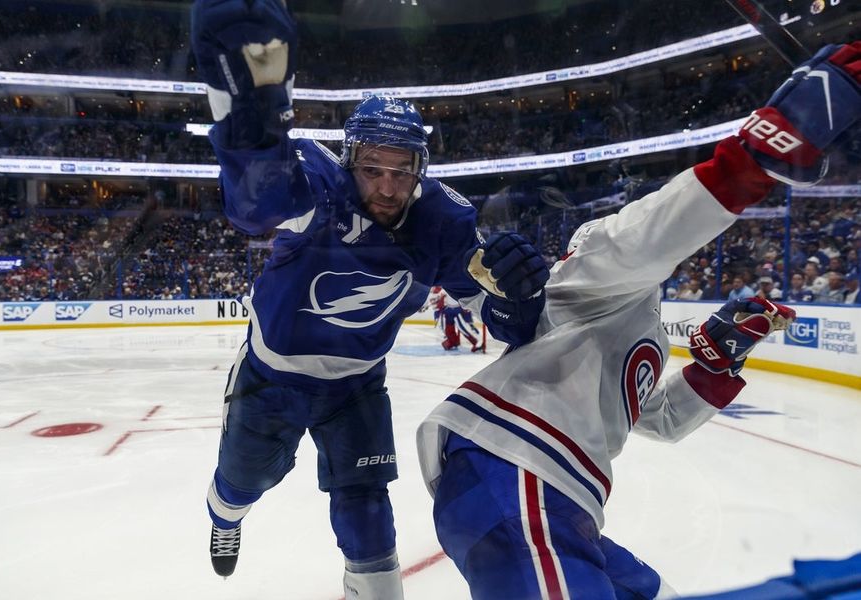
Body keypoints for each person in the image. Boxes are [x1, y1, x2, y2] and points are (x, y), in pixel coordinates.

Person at [417, 41, 860, 599]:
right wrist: (752, 158)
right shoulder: (592, 267)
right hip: (516, 464)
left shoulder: (639, 327)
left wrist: (718, 366)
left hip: (554, 494)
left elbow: (662, 419)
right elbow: (648, 237)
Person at [189, 2, 549, 598]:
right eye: (372, 168)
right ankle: (226, 520)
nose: (386, 185)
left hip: (357, 383)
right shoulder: (318, 187)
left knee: (367, 509)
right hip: (273, 376)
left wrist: (519, 293)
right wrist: (249, 125)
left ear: (420, 169)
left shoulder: (444, 220)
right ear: (350, 158)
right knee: (240, 484)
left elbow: (505, 324)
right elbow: (255, 206)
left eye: (401, 170)